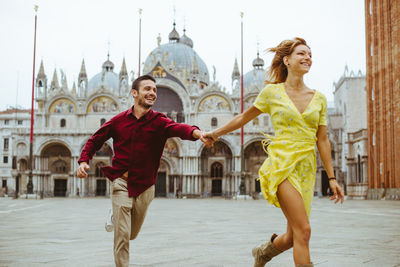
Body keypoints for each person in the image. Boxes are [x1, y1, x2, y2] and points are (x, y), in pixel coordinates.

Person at [203, 37, 344, 267]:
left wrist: (332, 177)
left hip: (306, 167)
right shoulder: (272, 92)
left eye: (310, 54)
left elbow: (323, 140)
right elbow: (242, 117)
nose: (307, 57)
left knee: (292, 236)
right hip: (281, 165)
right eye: (301, 53)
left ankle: (263, 252)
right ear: (287, 60)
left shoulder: (318, 98)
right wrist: (215, 133)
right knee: (305, 231)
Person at [77, 74, 210, 267]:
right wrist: (83, 161)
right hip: (121, 182)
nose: (152, 93)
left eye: (154, 90)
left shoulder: (159, 121)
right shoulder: (118, 121)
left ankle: (116, 217)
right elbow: (95, 139)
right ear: (134, 93)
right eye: (147, 89)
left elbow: (179, 128)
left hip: (146, 186)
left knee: (131, 233)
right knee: (121, 235)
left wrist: (198, 133)